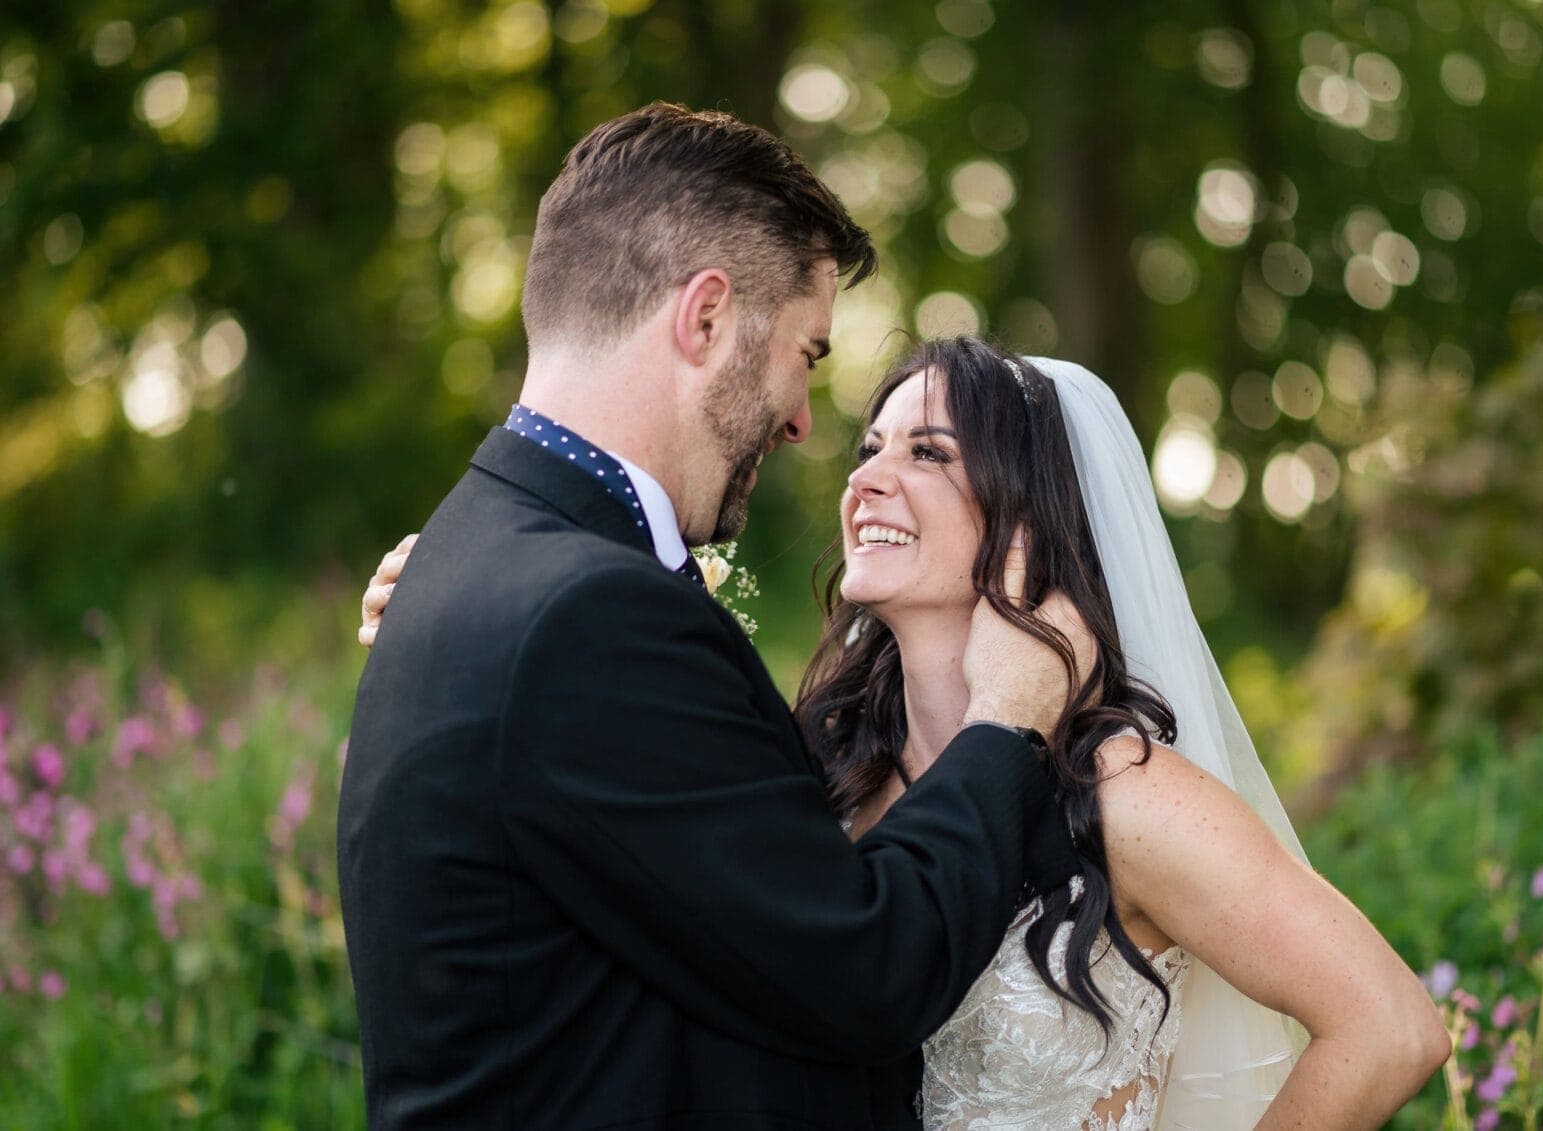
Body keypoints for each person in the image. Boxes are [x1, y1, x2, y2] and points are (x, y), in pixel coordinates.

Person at [364, 341, 1452, 1130]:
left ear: (1028, 514)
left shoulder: (1124, 797)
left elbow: (1388, 1027)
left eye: (927, 452)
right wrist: (473, 618)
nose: (864, 476)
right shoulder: (825, 768)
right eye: (869, 444)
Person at [337, 104, 1089, 1131]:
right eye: (805, 355)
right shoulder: (581, 615)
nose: (801, 420)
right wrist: (1007, 718)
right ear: (703, 319)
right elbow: (865, 969)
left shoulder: (481, 559)